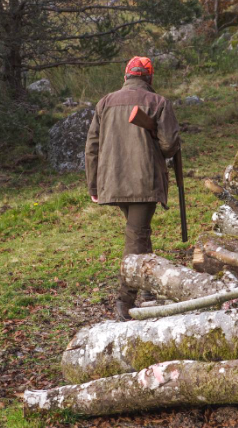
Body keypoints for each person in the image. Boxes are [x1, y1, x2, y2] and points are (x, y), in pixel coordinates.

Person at [85, 56, 181, 320]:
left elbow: (92, 146)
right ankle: (124, 302)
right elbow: (169, 145)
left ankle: (147, 287)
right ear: (149, 78)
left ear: (126, 76)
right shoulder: (159, 102)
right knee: (136, 238)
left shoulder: (105, 102)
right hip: (143, 181)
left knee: (139, 232)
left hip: (112, 182)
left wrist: (94, 185)